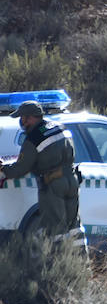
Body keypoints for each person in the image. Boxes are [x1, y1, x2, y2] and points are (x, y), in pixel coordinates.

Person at [0, 100, 80, 239]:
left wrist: (3, 168)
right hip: (72, 181)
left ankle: (59, 259)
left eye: (22, 118)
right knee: (74, 228)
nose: (21, 122)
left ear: (29, 117)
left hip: (53, 186)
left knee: (57, 231)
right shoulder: (60, 126)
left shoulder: (33, 138)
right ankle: (80, 259)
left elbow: (21, 168)